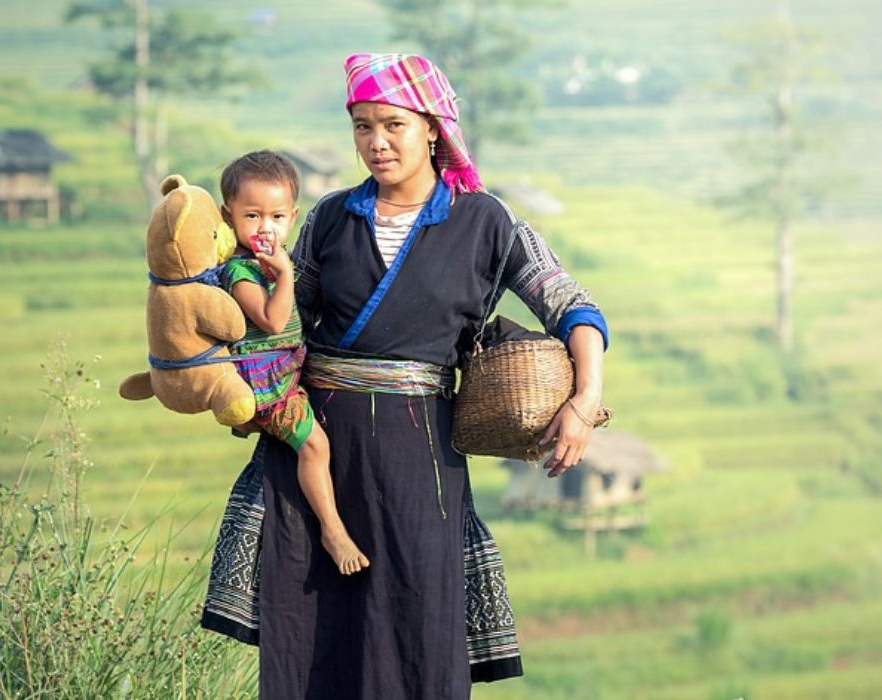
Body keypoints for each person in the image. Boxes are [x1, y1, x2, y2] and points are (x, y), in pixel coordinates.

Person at [201, 52, 609, 699]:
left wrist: (584, 402)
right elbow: (283, 323)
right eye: (362, 126)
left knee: (419, 627)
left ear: (432, 127)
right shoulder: (331, 217)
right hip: (318, 451)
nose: (376, 142)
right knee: (308, 639)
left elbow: (572, 307)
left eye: (391, 124)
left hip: (419, 461)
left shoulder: (485, 222)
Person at [216, 151, 368, 576]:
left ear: (294, 217)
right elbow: (272, 319)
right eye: (252, 216)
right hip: (267, 386)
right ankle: (332, 529)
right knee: (316, 447)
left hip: (287, 374)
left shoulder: (268, 263)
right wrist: (284, 275)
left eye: (277, 217)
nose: (266, 227)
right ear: (229, 217)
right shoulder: (241, 272)